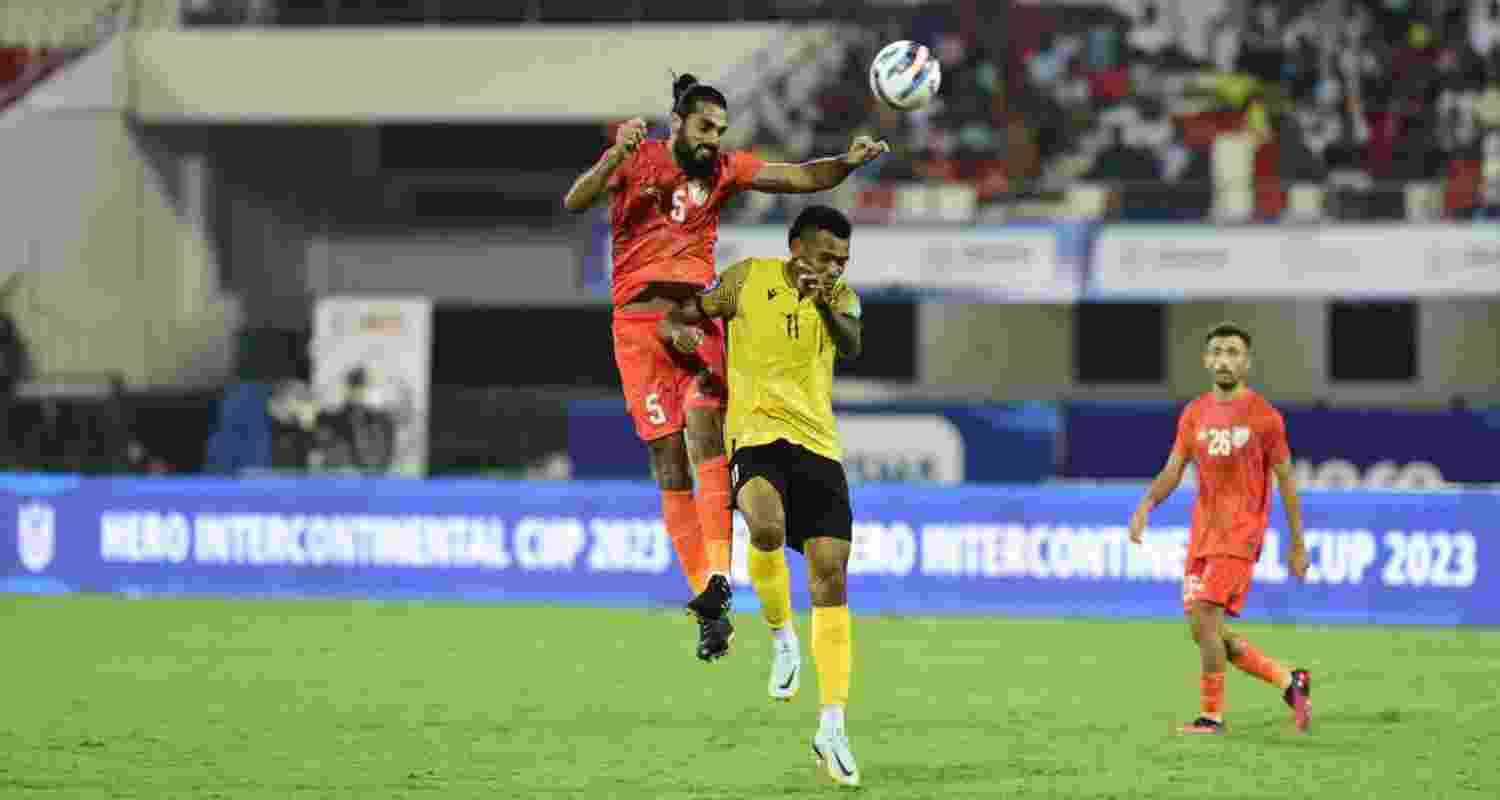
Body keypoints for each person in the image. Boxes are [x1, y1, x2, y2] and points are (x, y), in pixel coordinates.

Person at [563, 73, 887, 663]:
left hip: (697, 311)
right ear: (679, 123)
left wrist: (848, 161)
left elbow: (800, 177)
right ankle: (707, 600)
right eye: (706, 128)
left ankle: (719, 574)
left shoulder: (727, 169)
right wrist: (616, 155)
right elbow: (575, 201)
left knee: (707, 432)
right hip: (637, 323)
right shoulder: (636, 156)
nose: (714, 140)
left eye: (721, 131)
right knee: (667, 460)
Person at [658, 205, 864, 786]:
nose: (835, 266)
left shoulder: (845, 298)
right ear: (796, 246)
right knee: (766, 527)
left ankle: (832, 724)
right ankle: (781, 635)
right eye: (827, 256)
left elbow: (851, 345)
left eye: (844, 259)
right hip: (757, 435)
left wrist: (825, 295)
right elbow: (691, 312)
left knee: (831, 576)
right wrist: (681, 335)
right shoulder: (749, 278)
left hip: (819, 446)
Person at [1128, 323, 1313, 735]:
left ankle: (1211, 717)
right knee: (1204, 631)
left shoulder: (1265, 418)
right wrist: (1147, 503)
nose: (1224, 359)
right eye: (1217, 352)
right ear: (1206, 360)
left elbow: (1286, 480)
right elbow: (1174, 469)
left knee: (1208, 619)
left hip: (1240, 536)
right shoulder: (1194, 413)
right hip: (1202, 538)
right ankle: (1290, 683)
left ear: (1246, 361)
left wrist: (1298, 544)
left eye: (1233, 352)